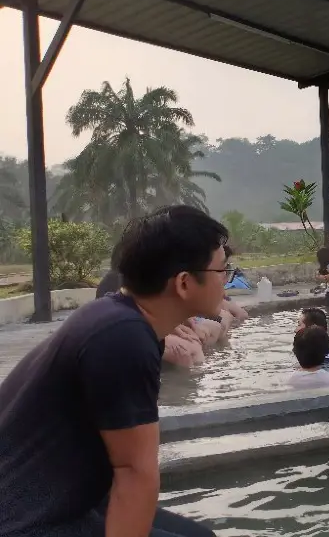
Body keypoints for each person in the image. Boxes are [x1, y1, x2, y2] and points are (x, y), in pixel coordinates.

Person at [0, 204, 229, 537]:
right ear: (183, 283)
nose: (227, 279)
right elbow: (135, 474)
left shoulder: (116, 318)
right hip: (27, 522)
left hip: (57, 501)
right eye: (222, 270)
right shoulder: (123, 339)